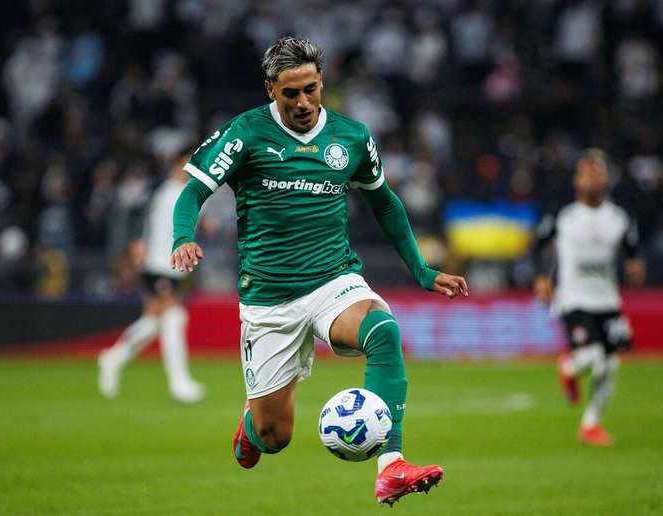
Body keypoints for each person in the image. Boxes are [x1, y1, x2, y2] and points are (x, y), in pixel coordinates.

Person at [169, 36, 468, 506]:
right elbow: (192, 192)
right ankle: (252, 425)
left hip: (334, 279)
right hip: (269, 298)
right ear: (270, 90)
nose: (304, 102)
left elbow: (384, 202)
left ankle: (391, 467)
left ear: (322, 81)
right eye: (291, 93)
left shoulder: (350, 136)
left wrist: (422, 269)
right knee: (274, 437)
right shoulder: (244, 133)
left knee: (383, 330)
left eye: (311, 89)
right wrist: (182, 237)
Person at [533, 148, 644, 446]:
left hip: (608, 299)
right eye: (587, 174)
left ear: (607, 179)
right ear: (577, 180)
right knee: (592, 356)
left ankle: (591, 424)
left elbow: (632, 252)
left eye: (598, 173)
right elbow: (538, 244)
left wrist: (635, 266)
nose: (593, 179)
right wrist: (543, 278)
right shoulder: (564, 215)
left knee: (610, 364)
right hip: (573, 298)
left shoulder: (619, 217)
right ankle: (568, 367)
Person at [98, 151, 206, 403]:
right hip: (159, 263)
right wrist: (136, 246)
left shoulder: (175, 191)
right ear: (181, 163)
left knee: (157, 320)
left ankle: (114, 358)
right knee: (174, 317)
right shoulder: (167, 192)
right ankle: (179, 383)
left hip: (169, 264)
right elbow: (141, 220)